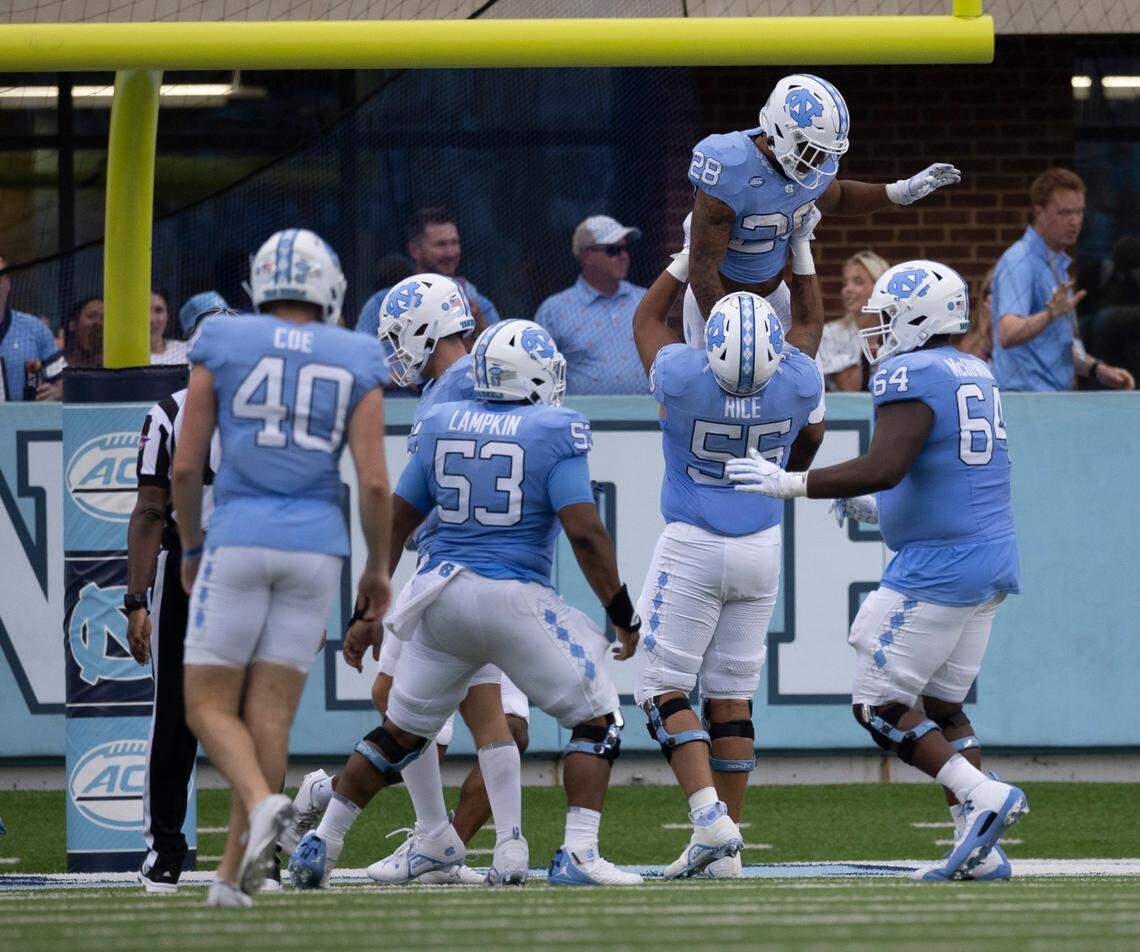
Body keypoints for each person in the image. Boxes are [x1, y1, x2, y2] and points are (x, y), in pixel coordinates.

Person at [289, 320, 643, 889]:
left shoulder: (439, 422)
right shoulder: (555, 428)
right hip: (510, 596)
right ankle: (578, 853)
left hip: (440, 595)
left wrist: (365, 611)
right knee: (598, 719)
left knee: (399, 734)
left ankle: (320, 845)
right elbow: (584, 532)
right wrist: (623, 614)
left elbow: (399, 518)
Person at [726, 259, 1028, 882]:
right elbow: (942, 472)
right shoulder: (975, 369)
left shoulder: (909, 371)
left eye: (890, 317)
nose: (881, 330)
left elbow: (886, 464)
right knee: (943, 706)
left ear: (920, 317)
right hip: (989, 560)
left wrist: (793, 481)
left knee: (878, 704)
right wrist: (876, 506)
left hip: (939, 566)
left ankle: (984, 795)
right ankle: (983, 847)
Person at [277, 274, 530, 888]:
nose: (395, 348)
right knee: (483, 714)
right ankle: (487, 845)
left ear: (424, 326)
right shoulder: (484, 375)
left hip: (451, 567)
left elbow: (408, 504)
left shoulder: (450, 393)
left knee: (404, 703)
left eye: (398, 334)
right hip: (504, 566)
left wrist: (376, 585)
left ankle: (371, 826)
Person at [171, 228, 392, 908]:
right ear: (329, 288)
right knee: (268, 715)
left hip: (237, 536)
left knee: (207, 706)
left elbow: (185, 465)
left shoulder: (224, 339)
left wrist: (190, 546)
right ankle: (232, 879)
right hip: (316, 547)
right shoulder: (356, 353)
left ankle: (263, 803)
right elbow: (376, 484)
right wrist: (377, 570)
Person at [629, 213, 825, 879]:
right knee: (732, 694)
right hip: (761, 544)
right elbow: (811, 328)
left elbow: (645, 323)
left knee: (660, 686)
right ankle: (726, 849)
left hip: (692, 543)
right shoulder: (797, 379)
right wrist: (799, 248)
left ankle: (709, 818)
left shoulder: (685, 375)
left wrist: (687, 256)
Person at [684, 73, 960, 349]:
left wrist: (901, 191)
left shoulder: (804, 167)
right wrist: (725, 330)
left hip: (774, 295)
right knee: (715, 386)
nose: (818, 161)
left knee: (806, 383)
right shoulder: (730, 166)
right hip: (719, 300)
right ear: (780, 130)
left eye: (824, 152)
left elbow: (838, 197)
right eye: (810, 149)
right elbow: (702, 268)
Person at [128, 295, 233, 893]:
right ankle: (258, 851)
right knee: (251, 713)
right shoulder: (265, 414)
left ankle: (166, 853)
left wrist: (135, 599)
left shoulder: (170, 412)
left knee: (176, 715)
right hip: (249, 571)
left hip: (192, 571)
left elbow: (149, 511)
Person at [990, 168, 1133, 392]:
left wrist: (1099, 371)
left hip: (1048, 401)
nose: (1075, 222)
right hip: (1026, 403)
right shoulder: (1020, 261)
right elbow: (1007, 333)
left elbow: (1056, 346)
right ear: (1039, 213)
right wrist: (1050, 314)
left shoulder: (1055, 262)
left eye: (1079, 212)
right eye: (1065, 213)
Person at [533, 215, 648, 394]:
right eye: (613, 250)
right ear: (586, 255)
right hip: (585, 420)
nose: (624, 256)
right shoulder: (553, 310)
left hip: (647, 418)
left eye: (625, 248)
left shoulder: (646, 300)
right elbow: (537, 374)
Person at [354, 208, 501, 340]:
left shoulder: (479, 305)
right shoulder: (381, 305)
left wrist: (481, 329)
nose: (451, 253)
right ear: (415, 251)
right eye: (441, 244)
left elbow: (499, 361)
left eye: (455, 242)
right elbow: (361, 358)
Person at [817, 250, 890, 391]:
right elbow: (850, 392)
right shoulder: (830, 334)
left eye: (858, 282)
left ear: (880, 288)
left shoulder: (900, 332)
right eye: (845, 283)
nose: (847, 289)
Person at [0, 253, 65, 400]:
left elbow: (64, 384)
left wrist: (57, 392)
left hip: (27, 422)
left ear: (8, 284)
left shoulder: (35, 329)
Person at [958, 267, 995, 363]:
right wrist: (986, 326)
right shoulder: (973, 338)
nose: (990, 298)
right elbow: (968, 365)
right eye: (989, 292)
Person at [150, 291, 190, 365]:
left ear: (167, 315)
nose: (152, 319)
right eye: (144, 311)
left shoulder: (187, 351)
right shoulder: (126, 359)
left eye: (158, 311)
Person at [64, 296, 104, 369]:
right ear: (73, 324)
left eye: (103, 318)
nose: (98, 323)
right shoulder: (57, 366)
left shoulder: (113, 368)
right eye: (91, 316)